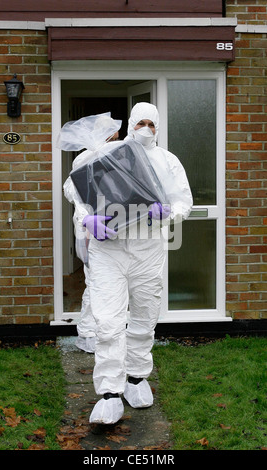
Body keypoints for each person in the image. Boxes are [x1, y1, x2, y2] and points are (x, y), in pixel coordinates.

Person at [82, 102, 193, 425]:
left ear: (158, 126)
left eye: (151, 123)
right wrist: (88, 220)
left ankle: (136, 378)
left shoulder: (167, 161)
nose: (145, 128)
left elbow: (184, 201)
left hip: (149, 249)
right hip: (109, 249)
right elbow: (75, 189)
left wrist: (169, 213)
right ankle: (109, 393)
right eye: (140, 122)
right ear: (130, 124)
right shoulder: (108, 154)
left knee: (145, 313)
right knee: (108, 321)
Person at [62, 113, 122, 354]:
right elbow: (71, 191)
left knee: (102, 283)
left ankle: (99, 333)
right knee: (95, 283)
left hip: (109, 227)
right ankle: (88, 334)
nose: (116, 142)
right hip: (89, 230)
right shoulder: (86, 159)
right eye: (112, 138)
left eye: (118, 137)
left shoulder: (116, 156)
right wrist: (87, 219)